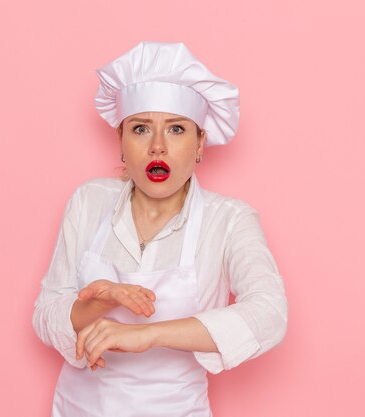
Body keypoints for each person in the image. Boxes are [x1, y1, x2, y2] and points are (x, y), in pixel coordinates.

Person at [33, 41, 288, 417]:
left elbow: (270, 313)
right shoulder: (89, 201)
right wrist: (98, 305)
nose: (157, 147)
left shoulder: (229, 220)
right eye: (140, 129)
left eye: (176, 129)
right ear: (121, 140)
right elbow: (45, 314)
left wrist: (146, 334)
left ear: (200, 142)